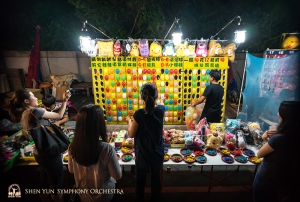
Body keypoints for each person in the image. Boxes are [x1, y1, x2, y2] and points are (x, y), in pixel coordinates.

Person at [7, 89, 71, 202]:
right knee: (57, 184)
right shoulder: (35, 111)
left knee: (45, 181)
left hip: (39, 153)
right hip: (49, 153)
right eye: (33, 96)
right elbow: (59, 115)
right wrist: (65, 101)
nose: (37, 98)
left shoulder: (24, 113)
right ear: (26, 101)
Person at [68, 104, 122, 202]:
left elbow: (71, 170)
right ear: (99, 125)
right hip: (105, 197)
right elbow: (117, 176)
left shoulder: (72, 146)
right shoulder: (106, 148)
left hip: (83, 196)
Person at [253, 101, 300, 202]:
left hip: (268, 179)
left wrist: (265, 138)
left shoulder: (280, 138)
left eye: (280, 112)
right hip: (286, 180)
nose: (277, 114)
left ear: (285, 117)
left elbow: (260, 153)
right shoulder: (294, 135)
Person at [126, 83, 165, 202]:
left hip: (143, 154)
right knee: (155, 180)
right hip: (157, 153)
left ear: (142, 97)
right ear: (156, 96)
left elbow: (131, 134)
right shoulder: (161, 110)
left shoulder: (138, 114)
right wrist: (159, 99)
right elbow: (161, 104)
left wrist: (129, 121)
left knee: (140, 181)